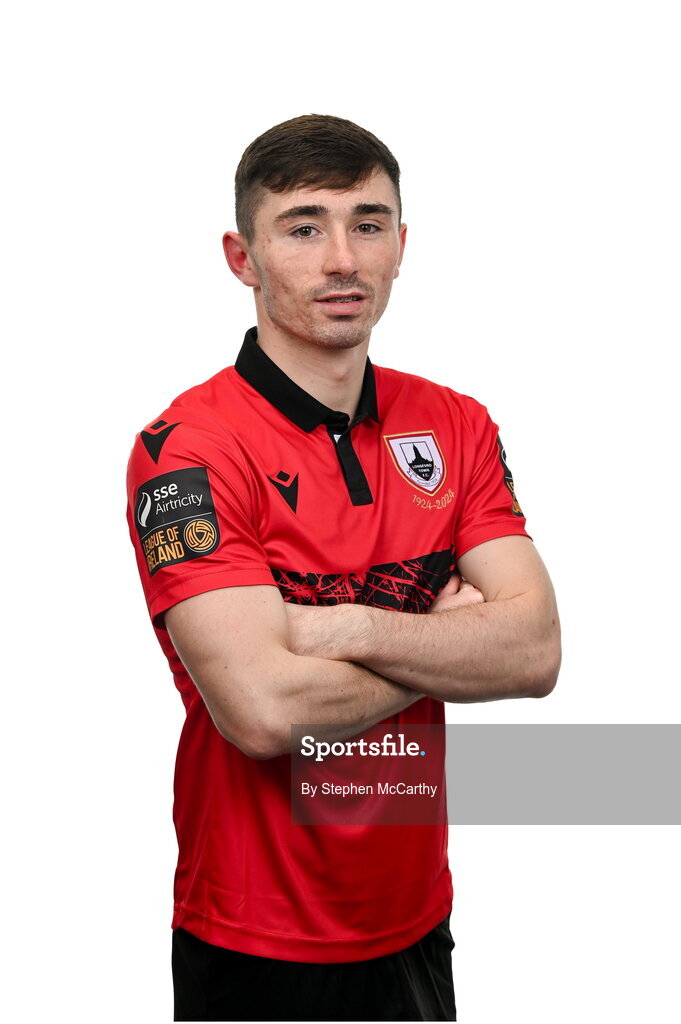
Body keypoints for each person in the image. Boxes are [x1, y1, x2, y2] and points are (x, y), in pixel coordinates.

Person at [126, 114, 561, 1022]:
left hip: (414, 915)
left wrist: (349, 628)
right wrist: (443, 638)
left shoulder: (453, 423)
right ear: (241, 258)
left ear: (401, 245)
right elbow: (262, 711)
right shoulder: (189, 452)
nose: (341, 259)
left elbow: (533, 653)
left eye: (367, 223)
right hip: (254, 934)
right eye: (302, 226)